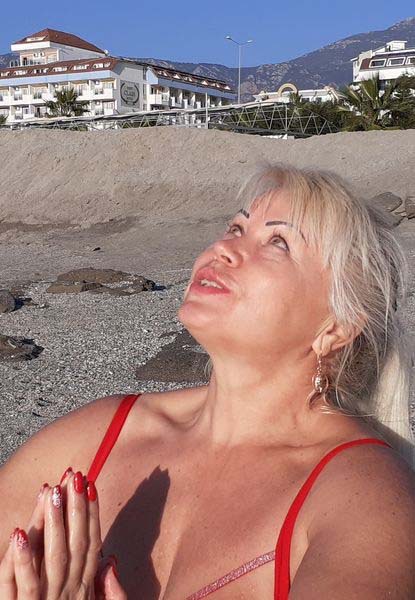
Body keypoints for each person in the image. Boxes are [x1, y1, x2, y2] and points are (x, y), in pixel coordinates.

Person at [0, 163, 414, 599]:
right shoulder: (100, 434)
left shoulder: (365, 497)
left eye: (278, 242)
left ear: (338, 326)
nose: (224, 249)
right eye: (236, 228)